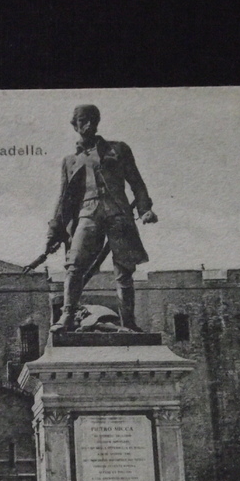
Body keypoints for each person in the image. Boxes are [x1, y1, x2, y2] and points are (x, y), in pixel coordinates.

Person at [41, 104, 158, 332]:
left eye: (91, 119)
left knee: (124, 269)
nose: (87, 124)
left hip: (118, 213)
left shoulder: (118, 149)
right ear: (74, 125)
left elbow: (137, 183)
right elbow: (63, 199)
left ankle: (129, 322)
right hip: (88, 213)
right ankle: (67, 316)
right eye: (82, 120)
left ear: (97, 122)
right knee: (74, 265)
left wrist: (144, 210)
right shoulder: (69, 161)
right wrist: (53, 232)